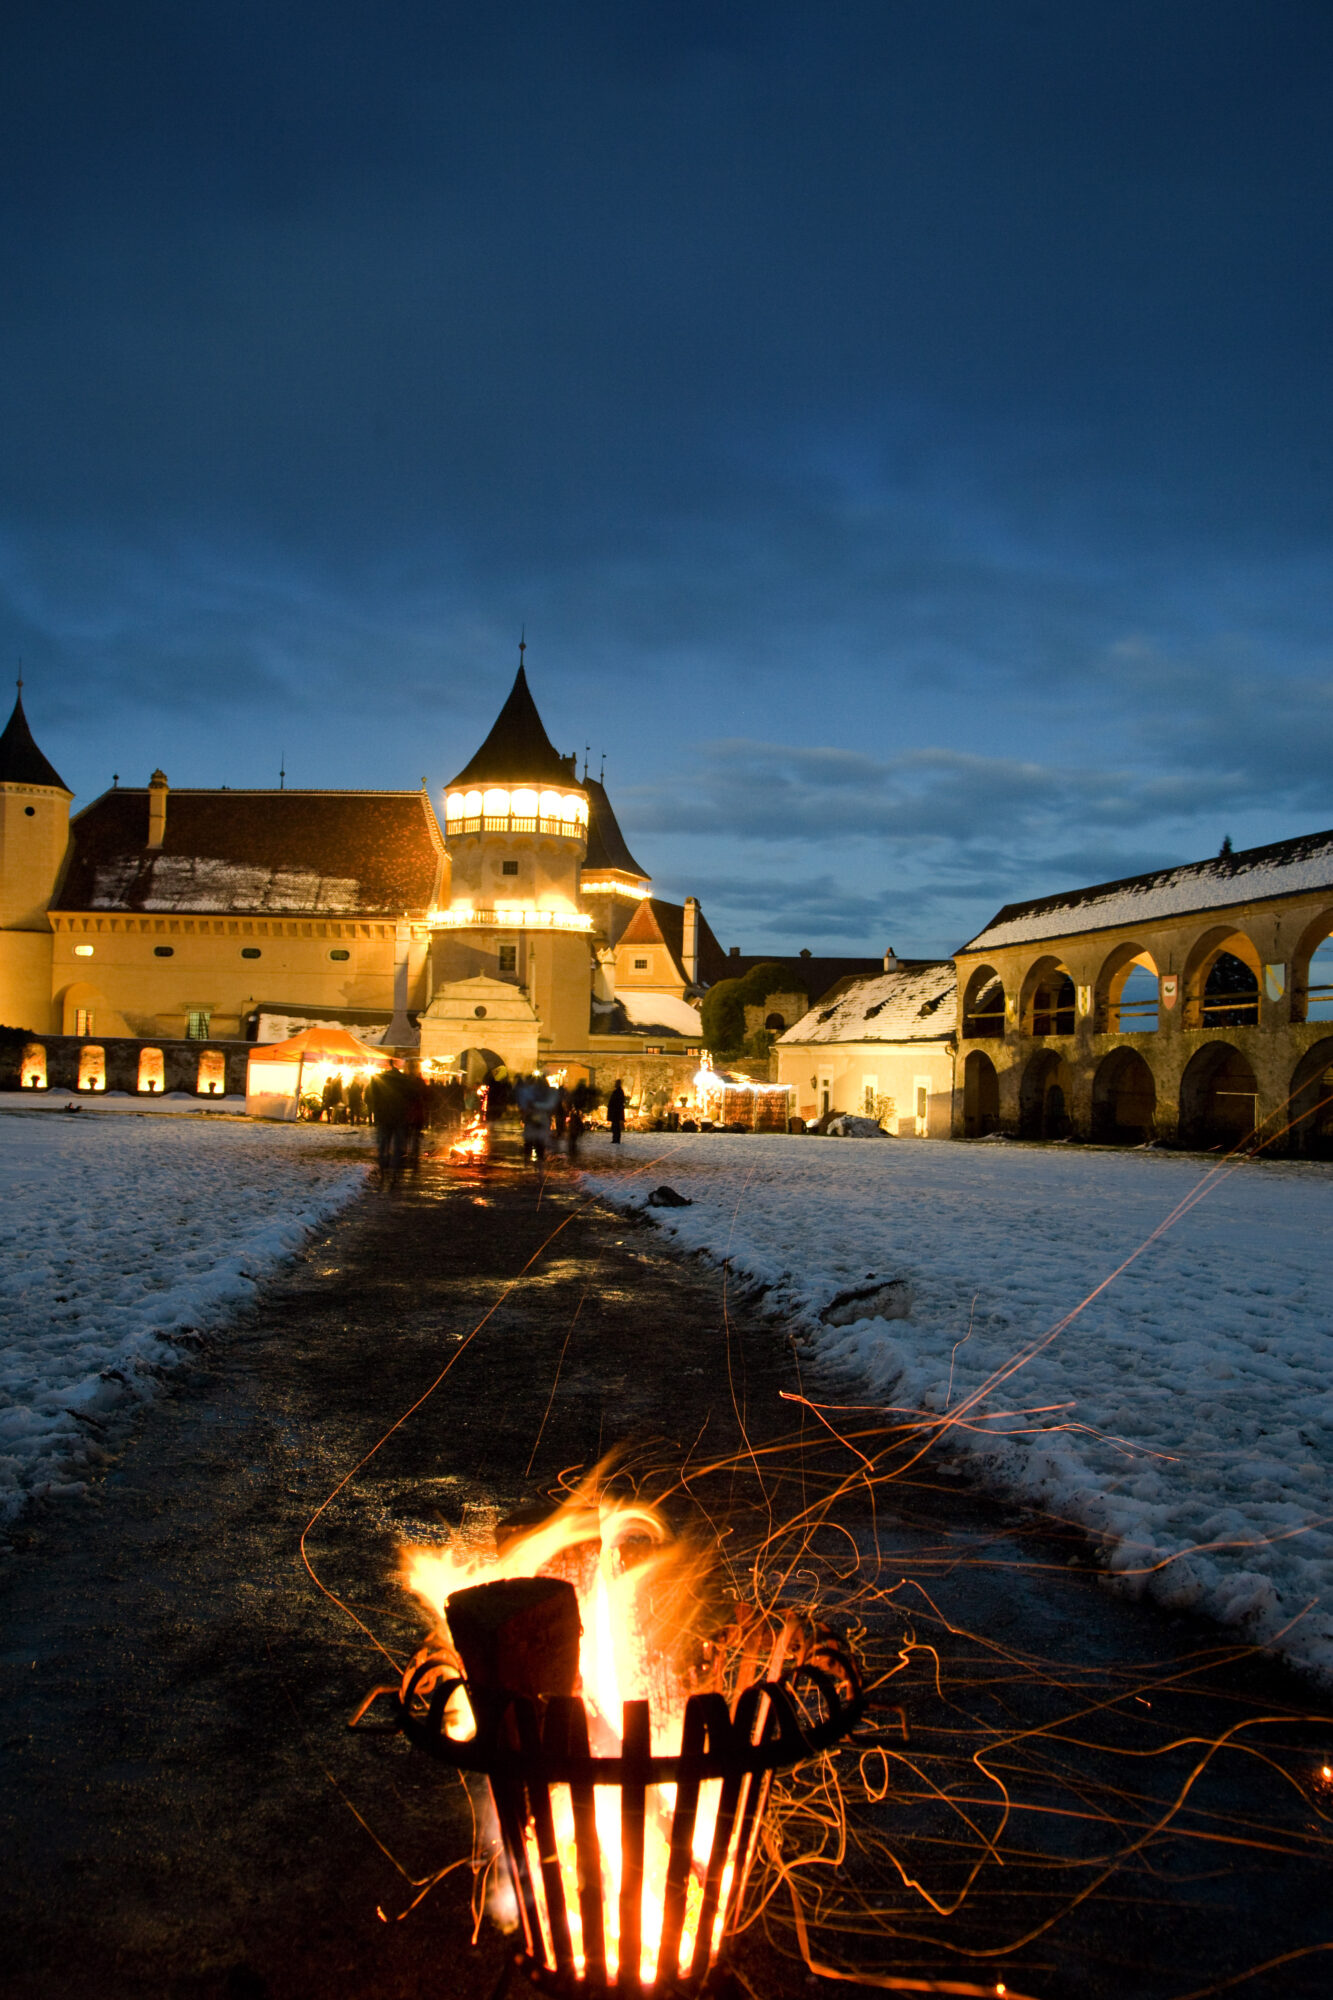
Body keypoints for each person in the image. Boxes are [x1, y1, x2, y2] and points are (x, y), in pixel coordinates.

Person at [369, 1060, 406, 1171]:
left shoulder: (380, 1080)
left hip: (384, 1115)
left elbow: (373, 1097)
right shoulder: (402, 1080)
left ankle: (382, 1159)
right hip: (398, 1115)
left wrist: (376, 1111)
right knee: (397, 1140)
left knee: (384, 1138)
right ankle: (395, 1162)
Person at [607, 1078, 626, 1145]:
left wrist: (614, 1108)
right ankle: (615, 1139)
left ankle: (616, 1139)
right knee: (615, 1126)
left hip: (616, 1112)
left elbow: (618, 1102)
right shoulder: (618, 1091)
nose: (614, 1084)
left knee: (616, 1126)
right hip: (615, 1112)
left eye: (616, 1083)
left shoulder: (619, 1092)